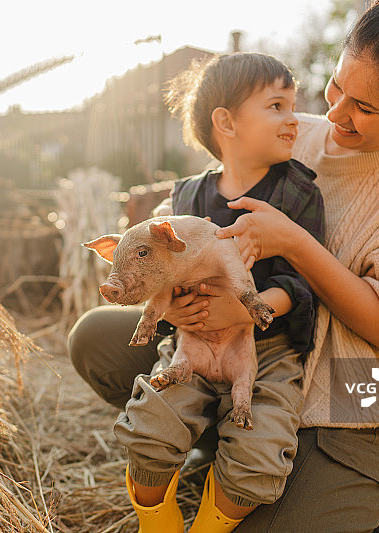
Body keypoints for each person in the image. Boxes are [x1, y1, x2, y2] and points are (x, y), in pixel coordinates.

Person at [69, 0, 379, 531]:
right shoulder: (295, 131)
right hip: (246, 352)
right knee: (97, 339)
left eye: (364, 106)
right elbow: (192, 212)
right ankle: (224, 441)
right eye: (336, 87)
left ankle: (369, 484)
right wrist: (181, 292)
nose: (335, 114)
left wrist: (294, 245)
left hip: (346, 400)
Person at [111, 52, 325, 533]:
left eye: (293, 105)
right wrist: (174, 314)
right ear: (226, 122)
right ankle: (157, 520)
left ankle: (212, 522)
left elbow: (302, 281)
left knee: (259, 453)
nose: (293, 118)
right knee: (150, 430)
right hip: (190, 342)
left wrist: (244, 309)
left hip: (266, 351)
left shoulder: (300, 194)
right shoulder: (184, 198)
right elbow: (160, 276)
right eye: (276, 105)